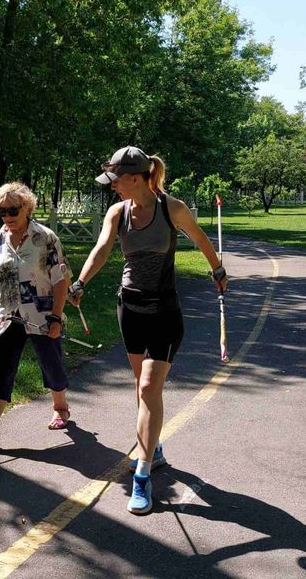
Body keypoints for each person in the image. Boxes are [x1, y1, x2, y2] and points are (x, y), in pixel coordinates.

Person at [69, 146, 228, 514]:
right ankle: (152, 447)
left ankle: (142, 475)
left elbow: (201, 239)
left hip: (164, 312)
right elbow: (101, 250)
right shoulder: (117, 213)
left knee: (147, 387)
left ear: (137, 177)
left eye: (116, 180)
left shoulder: (171, 209)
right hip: (131, 309)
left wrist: (217, 270)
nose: (112, 188)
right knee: (143, 387)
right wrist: (79, 283)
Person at [0, 182, 72, 457]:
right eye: (1, 211)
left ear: (27, 207)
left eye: (13, 210)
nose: (7, 216)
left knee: (52, 364)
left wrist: (56, 317)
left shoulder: (45, 238)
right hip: (7, 316)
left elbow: (61, 280)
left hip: (41, 315)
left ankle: (60, 407)